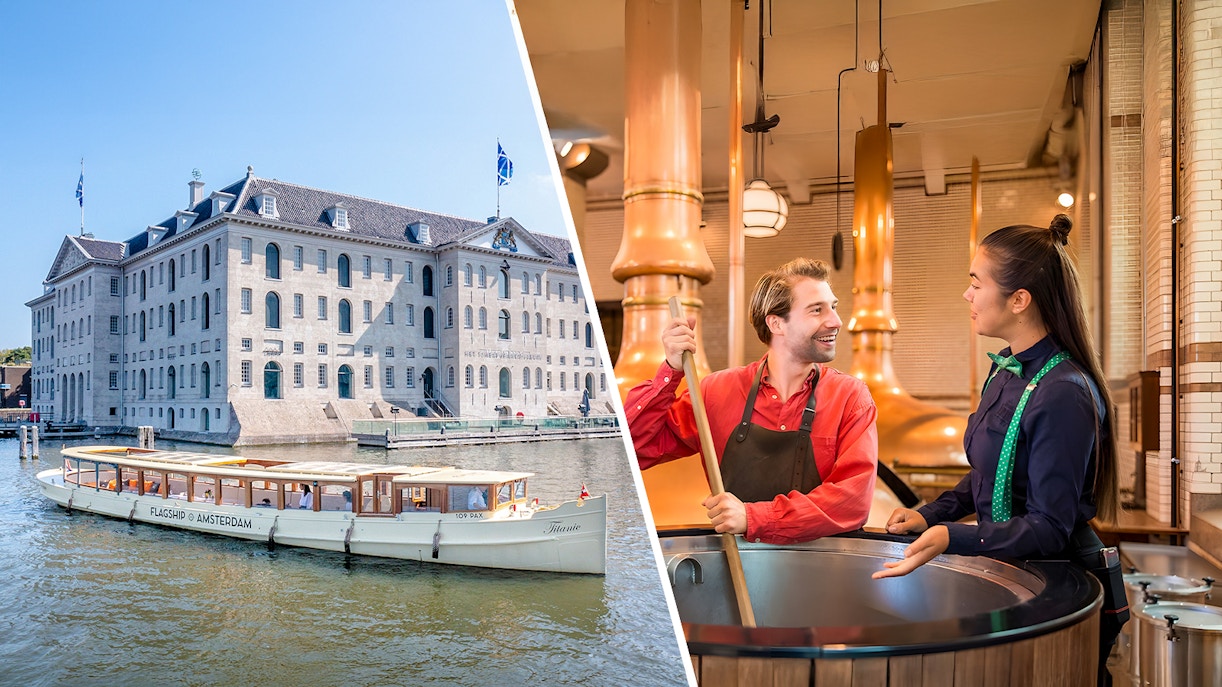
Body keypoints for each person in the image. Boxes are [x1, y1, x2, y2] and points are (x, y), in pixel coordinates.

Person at [872, 215, 1126, 686]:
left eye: (975, 283)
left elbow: (1050, 528)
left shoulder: (1063, 390)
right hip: (1012, 572)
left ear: (1019, 299)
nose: (967, 295)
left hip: (1060, 589)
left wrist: (956, 537)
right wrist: (931, 514)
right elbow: (993, 475)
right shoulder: (1005, 371)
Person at [625, 257, 878, 545]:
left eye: (833, 307)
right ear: (776, 323)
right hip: (739, 569)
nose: (835, 321)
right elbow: (635, 448)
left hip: (821, 575)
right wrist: (671, 369)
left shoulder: (851, 397)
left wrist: (753, 517)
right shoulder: (715, 392)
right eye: (817, 310)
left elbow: (851, 500)